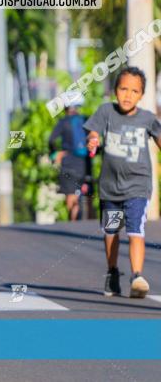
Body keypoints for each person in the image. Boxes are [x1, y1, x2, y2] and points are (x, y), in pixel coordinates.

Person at [85, 67, 161, 298]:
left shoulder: (147, 118)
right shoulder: (105, 112)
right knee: (111, 231)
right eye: (123, 89)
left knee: (136, 229)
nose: (128, 95)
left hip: (138, 186)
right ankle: (112, 272)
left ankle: (137, 276)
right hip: (110, 189)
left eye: (134, 91)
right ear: (115, 90)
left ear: (141, 95)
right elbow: (93, 132)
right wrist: (93, 140)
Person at [48, 91, 92, 221]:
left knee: (71, 197)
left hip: (68, 162)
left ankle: (73, 221)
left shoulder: (63, 122)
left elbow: (51, 140)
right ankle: (86, 224)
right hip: (85, 163)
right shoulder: (86, 120)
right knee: (87, 194)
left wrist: (55, 153)